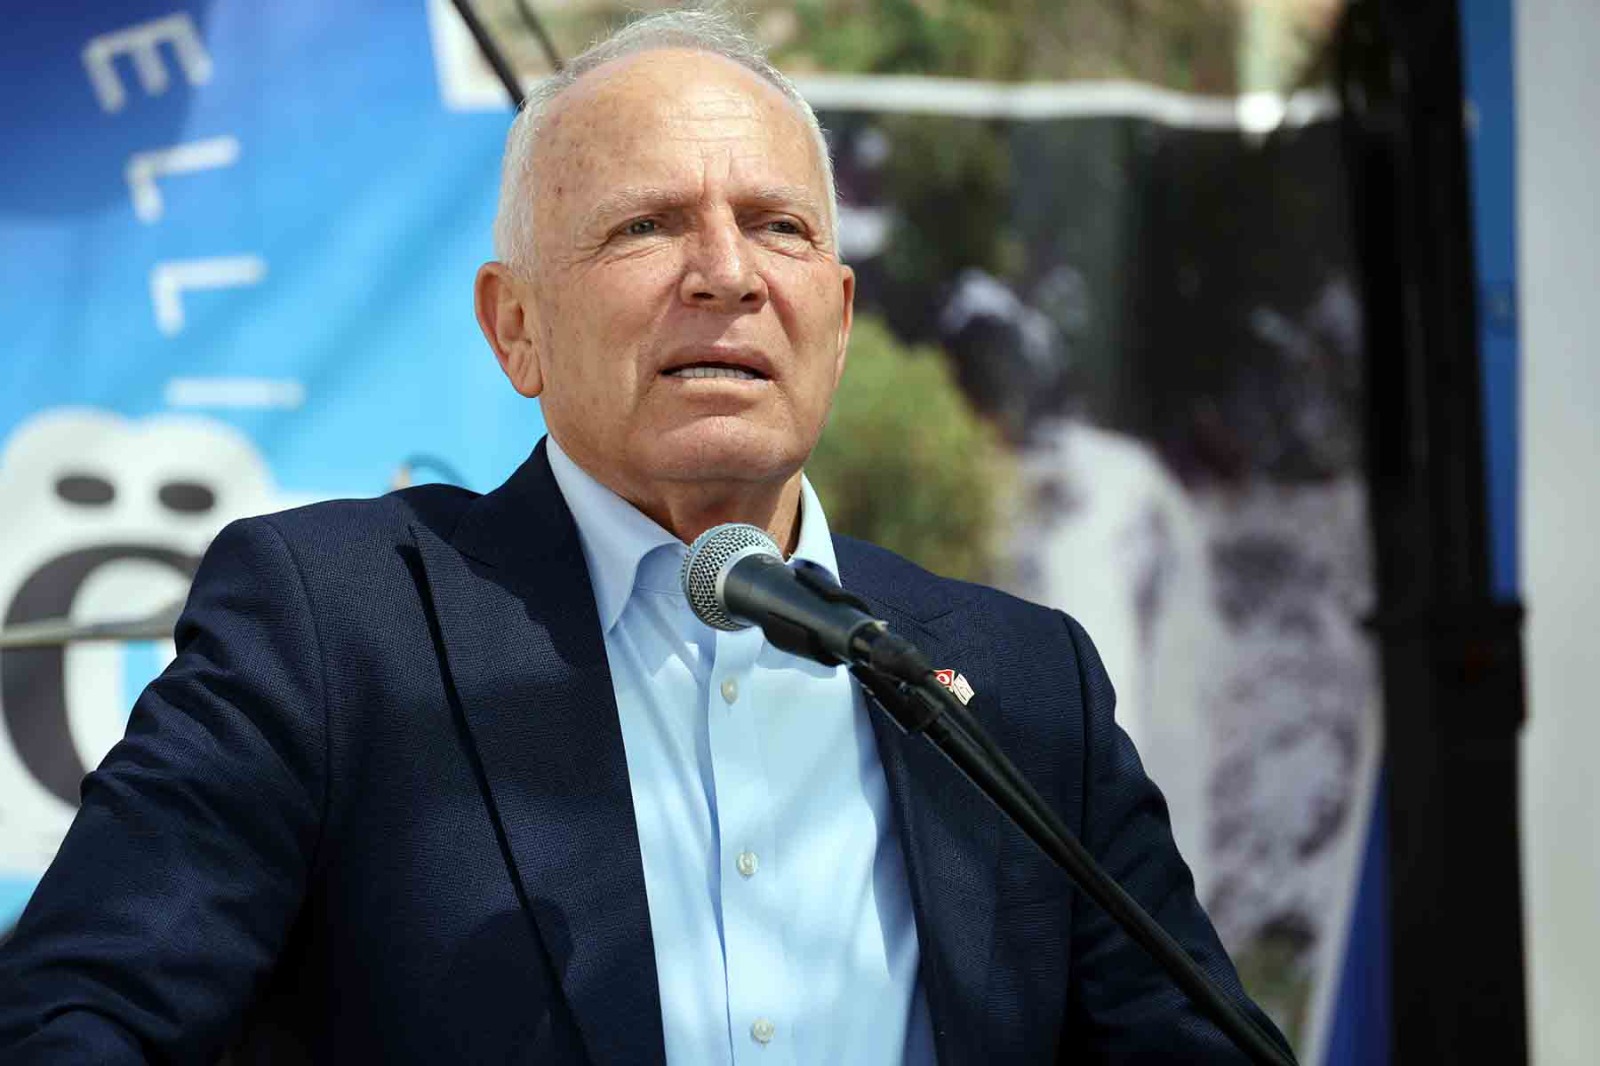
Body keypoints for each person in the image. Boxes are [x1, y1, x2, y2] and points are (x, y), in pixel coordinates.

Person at [0, 10, 1288, 1064]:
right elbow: (73, 1018)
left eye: (780, 226)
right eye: (646, 225)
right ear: (515, 328)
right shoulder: (333, 627)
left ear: (839, 319)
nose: (728, 272)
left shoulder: (1019, 684)